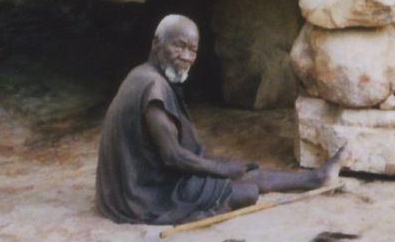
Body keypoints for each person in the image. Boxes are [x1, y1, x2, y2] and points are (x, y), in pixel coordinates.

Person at [95, 15, 340, 224]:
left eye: (192, 50)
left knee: (240, 173)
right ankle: (196, 210)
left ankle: (314, 178)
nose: (186, 56)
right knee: (247, 192)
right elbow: (173, 156)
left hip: (141, 184)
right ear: (156, 43)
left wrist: (223, 169)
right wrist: (220, 168)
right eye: (179, 46)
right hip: (142, 195)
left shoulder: (144, 75)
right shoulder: (152, 86)